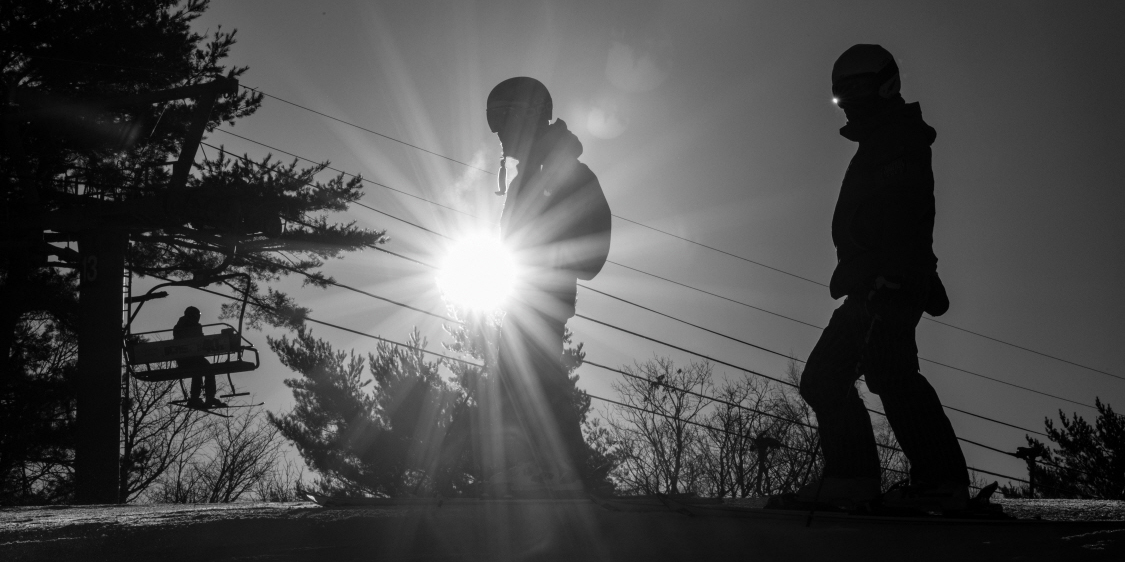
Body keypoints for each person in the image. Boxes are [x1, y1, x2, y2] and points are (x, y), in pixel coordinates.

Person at [794, 44, 968, 511]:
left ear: (886, 84)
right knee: (865, 373)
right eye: (840, 94)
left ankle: (932, 482)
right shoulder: (881, 140)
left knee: (859, 373)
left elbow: (906, 210)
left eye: (858, 89)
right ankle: (863, 478)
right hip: (875, 277)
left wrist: (892, 272)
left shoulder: (899, 139)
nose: (849, 100)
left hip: (887, 278)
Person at [483, 77, 612, 496]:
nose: (500, 136)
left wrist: (551, 261)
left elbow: (593, 249)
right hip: (521, 299)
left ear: (526, 117)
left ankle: (565, 474)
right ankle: (546, 471)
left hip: (543, 300)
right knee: (516, 379)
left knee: (533, 377)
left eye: (502, 122)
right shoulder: (527, 178)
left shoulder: (565, 172)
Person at [173, 306, 225, 409]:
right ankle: (207, 397)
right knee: (206, 369)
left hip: (185, 359)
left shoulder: (180, 326)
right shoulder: (191, 326)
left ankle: (195, 397)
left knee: (200, 369)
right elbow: (198, 341)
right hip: (189, 358)